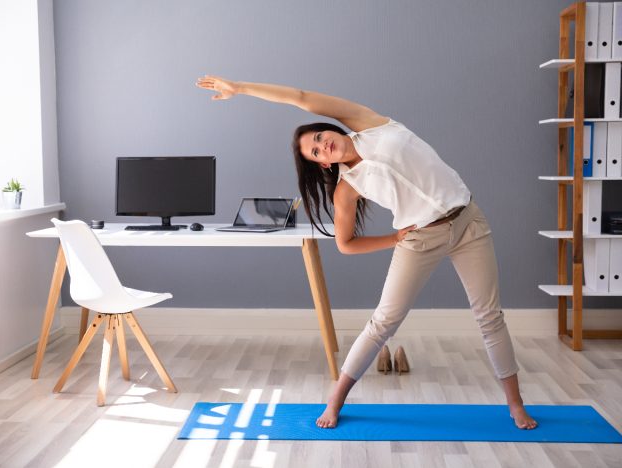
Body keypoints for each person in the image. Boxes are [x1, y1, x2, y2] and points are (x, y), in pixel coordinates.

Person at [196, 75, 538, 430]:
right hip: (421, 238)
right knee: (384, 322)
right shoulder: (346, 190)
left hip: (468, 221)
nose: (321, 146)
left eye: (318, 138)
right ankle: (336, 399)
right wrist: (393, 239)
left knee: (489, 316)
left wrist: (239, 88)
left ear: (328, 130)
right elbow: (345, 244)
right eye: (315, 152)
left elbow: (300, 96)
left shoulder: (369, 124)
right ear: (323, 165)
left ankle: (515, 404)